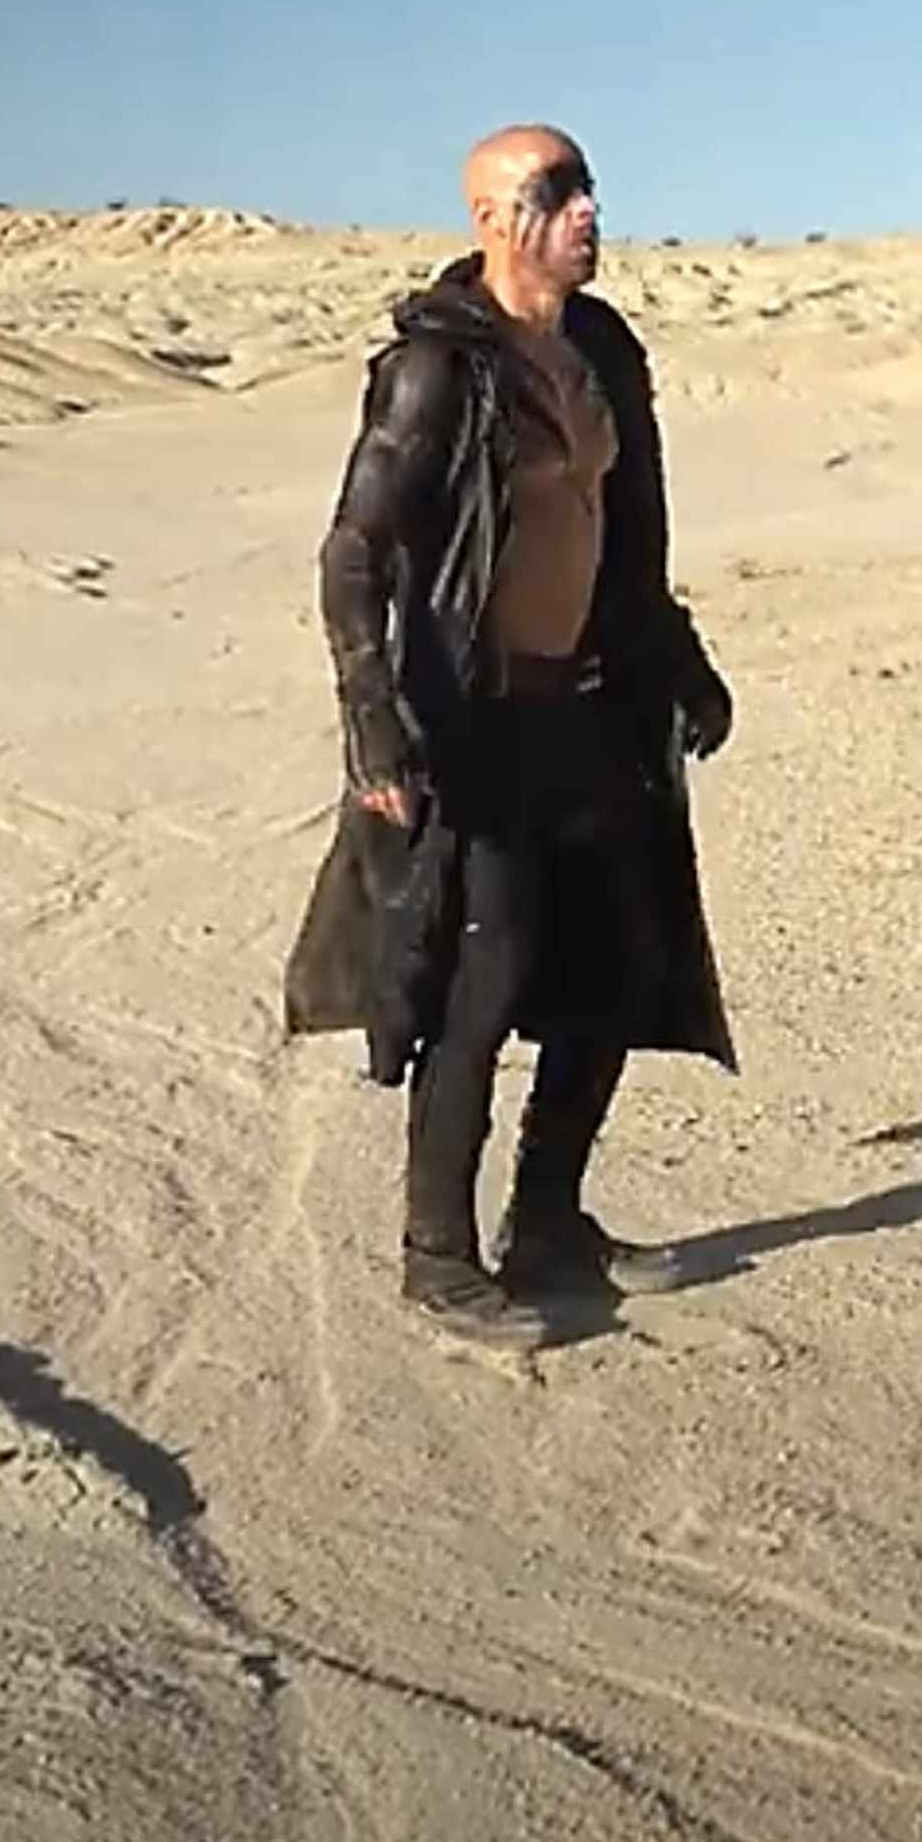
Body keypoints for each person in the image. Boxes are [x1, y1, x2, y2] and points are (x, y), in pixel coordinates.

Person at [283, 124, 739, 1352]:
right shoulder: (439, 368)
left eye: (589, 185)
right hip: (477, 723)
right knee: (483, 980)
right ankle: (439, 1256)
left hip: (592, 705)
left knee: (607, 971)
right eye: (558, 192)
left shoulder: (599, 349)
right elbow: (354, 553)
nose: (588, 208)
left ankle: (549, 1221)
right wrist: (373, 725)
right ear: (493, 216)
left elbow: (629, 532)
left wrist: (677, 661)